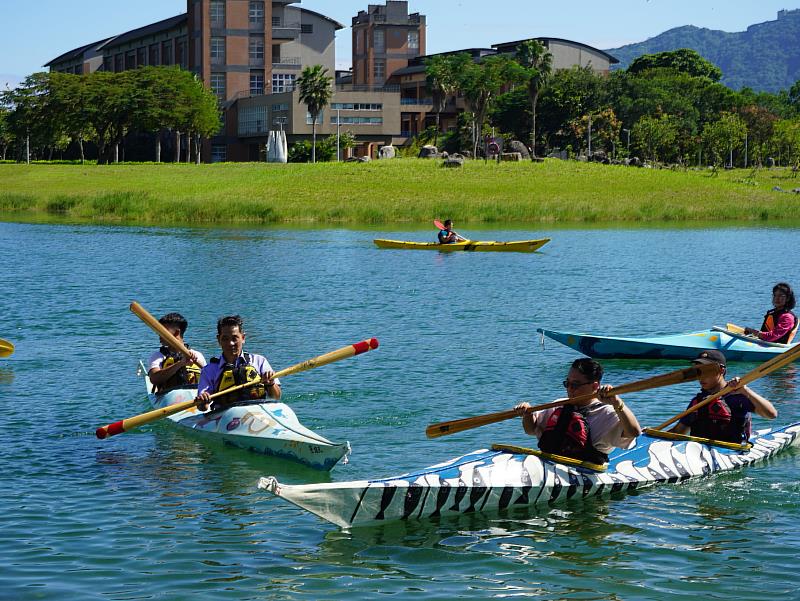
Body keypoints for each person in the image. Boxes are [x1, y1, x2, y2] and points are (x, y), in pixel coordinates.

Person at [513, 358, 641, 464]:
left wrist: (617, 403)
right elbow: (531, 429)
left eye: (575, 385)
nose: (569, 389)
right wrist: (527, 414)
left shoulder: (606, 413)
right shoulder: (559, 405)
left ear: (594, 386)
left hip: (585, 473)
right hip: (549, 465)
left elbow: (634, 432)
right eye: (567, 383)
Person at [669, 350, 777, 444]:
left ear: (721, 370)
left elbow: (771, 414)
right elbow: (678, 432)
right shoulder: (697, 402)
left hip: (732, 452)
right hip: (700, 453)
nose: (701, 376)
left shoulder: (737, 396)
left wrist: (746, 390)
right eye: (698, 371)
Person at [196, 315, 281, 411]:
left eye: (234, 338)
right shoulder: (209, 370)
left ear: (243, 338)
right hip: (226, 417)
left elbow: (276, 397)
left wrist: (270, 384)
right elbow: (202, 408)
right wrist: (203, 400)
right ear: (219, 340)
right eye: (225, 339)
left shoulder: (260, 362)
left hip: (258, 411)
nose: (230, 343)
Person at [147, 312, 206, 393]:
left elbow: (209, 380)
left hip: (196, 397)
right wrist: (180, 363)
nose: (159, 335)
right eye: (159, 331)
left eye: (163, 331)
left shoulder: (198, 356)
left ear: (177, 333)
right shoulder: (157, 356)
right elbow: (154, 379)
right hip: (168, 398)